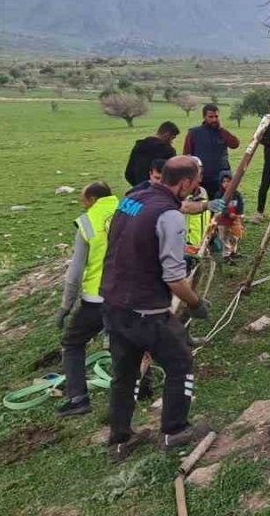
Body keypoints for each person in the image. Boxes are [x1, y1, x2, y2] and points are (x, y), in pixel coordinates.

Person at [99, 156, 212, 463]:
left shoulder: (133, 198)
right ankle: (174, 430)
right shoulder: (170, 217)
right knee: (180, 363)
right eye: (196, 180)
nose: (197, 186)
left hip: (112, 302)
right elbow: (175, 279)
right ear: (186, 183)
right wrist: (195, 303)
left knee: (124, 375)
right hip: (146, 310)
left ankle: (119, 441)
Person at [53, 181, 119, 417]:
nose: (82, 204)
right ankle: (142, 387)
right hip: (131, 292)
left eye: (83, 199)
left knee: (72, 343)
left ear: (92, 199)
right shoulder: (129, 209)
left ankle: (78, 399)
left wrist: (65, 306)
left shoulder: (88, 222)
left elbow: (75, 273)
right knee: (129, 341)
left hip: (97, 298)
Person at [182, 104, 240, 198]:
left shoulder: (222, 133)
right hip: (202, 178)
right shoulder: (194, 133)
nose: (214, 119)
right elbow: (187, 156)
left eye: (216, 116)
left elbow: (235, 144)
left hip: (221, 177)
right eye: (211, 117)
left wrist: (221, 129)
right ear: (204, 117)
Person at [123, 121, 179, 188]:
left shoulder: (139, 146)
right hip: (159, 190)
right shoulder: (167, 150)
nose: (172, 141)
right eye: (172, 138)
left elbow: (129, 173)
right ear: (167, 135)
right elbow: (172, 174)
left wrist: (138, 186)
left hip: (138, 188)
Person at [214, 170, 246, 262]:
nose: (226, 184)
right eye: (223, 182)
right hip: (223, 221)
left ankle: (233, 252)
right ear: (220, 183)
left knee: (235, 236)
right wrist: (228, 214)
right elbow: (220, 207)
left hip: (234, 220)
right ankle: (226, 255)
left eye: (228, 181)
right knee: (224, 237)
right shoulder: (219, 195)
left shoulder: (236, 194)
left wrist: (239, 215)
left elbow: (240, 205)